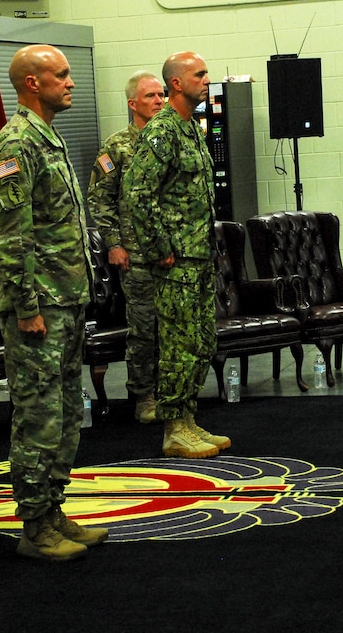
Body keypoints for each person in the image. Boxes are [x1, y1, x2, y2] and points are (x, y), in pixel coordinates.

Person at [0, 44, 108, 561]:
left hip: (66, 300)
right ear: (32, 83)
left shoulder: (49, 138)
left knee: (63, 412)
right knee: (38, 415)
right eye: (61, 75)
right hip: (39, 307)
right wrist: (27, 305)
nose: (70, 82)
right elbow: (10, 236)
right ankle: (34, 525)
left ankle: (54, 509)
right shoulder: (16, 145)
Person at [122, 51, 230, 459]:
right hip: (176, 261)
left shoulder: (189, 129)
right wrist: (158, 248)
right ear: (177, 84)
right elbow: (137, 193)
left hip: (199, 256)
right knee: (179, 345)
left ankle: (186, 419)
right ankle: (173, 428)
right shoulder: (162, 131)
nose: (207, 80)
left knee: (200, 341)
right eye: (199, 75)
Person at [87, 70, 166, 424]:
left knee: (173, 326)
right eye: (150, 96)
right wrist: (114, 245)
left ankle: (172, 392)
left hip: (171, 251)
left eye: (161, 94)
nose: (159, 101)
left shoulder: (170, 139)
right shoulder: (117, 147)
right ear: (133, 103)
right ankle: (144, 395)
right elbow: (99, 199)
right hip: (136, 255)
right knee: (144, 328)